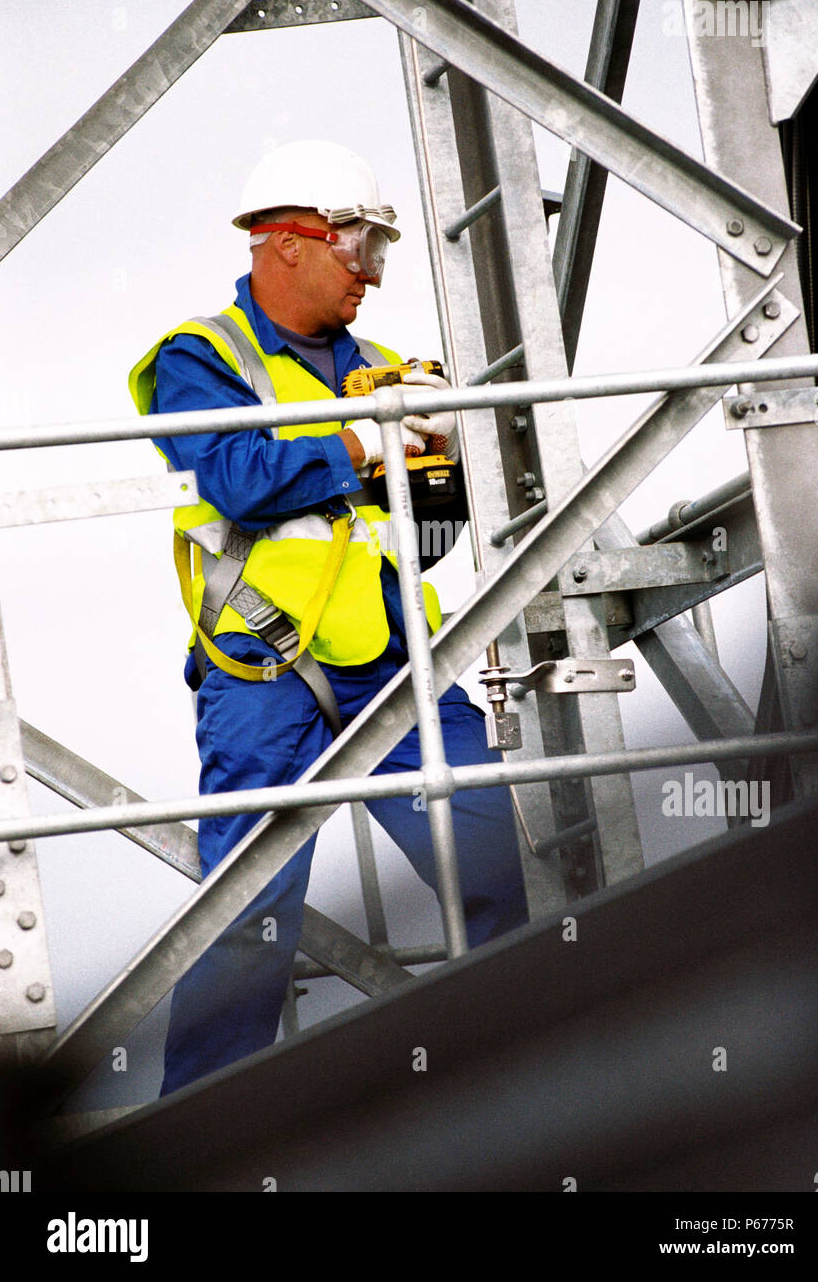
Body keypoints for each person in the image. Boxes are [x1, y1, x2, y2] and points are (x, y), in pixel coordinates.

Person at [129, 140, 528, 1096]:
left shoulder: (386, 369)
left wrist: (441, 464)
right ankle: (202, 1134)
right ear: (286, 244)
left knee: (493, 863)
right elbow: (230, 478)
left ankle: (532, 1086)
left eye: (379, 252)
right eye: (358, 248)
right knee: (249, 922)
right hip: (262, 673)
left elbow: (423, 542)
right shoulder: (201, 358)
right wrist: (366, 441)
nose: (371, 277)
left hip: (393, 666)